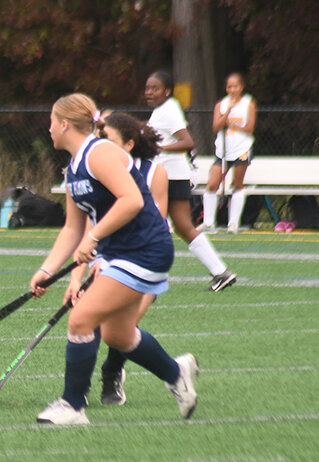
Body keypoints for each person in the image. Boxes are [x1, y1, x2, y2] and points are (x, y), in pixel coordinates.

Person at [32, 93, 198, 425]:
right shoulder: (73, 169)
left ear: (65, 124)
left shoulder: (101, 153)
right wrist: (46, 270)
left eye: (52, 121)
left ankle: (72, 405)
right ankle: (175, 372)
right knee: (117, 335)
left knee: (81, 319)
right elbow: (71, 228)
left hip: (144, 250)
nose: (48, 128)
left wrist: (93, 238)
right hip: (119, 253)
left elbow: (132, 200)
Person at [81, 112, 168, 406]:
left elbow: (157, 223)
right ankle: (77, 387)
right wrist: (81, 274)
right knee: (87, 316)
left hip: (142, 259)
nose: (97, 143)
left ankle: (112, 371)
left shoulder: (155, 174)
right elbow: (89, 227)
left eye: (106, 138)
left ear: (129, 144)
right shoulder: (97, 168)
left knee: (119, 332)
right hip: (106, 258)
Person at [144, 70, 237, 292]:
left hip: (169, 176)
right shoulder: (163, 110)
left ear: (167, 91)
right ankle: (221, 273)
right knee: (183, 226)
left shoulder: (168, 110)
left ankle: (147, 274)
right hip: (174, 175)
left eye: (155, 88)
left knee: (151, 221)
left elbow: (187, 142)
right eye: (147, 88)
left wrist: (158, 148)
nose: (149, 92)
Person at [202, 72, 257, 234]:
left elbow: (250, 129)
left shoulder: (249, 104)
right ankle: (208, 223)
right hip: (223, 150)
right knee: (212, 184)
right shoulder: (221, 104)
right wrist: (227, 113)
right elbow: (215, 127)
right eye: (229, 87)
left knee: (237, 184)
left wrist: (232, 124)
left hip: (242, 149)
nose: (232, 90)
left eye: (235, 86)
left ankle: (233, 224)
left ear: (241, 87)